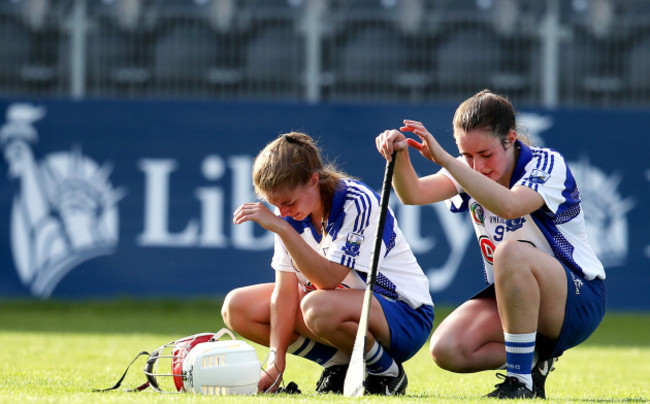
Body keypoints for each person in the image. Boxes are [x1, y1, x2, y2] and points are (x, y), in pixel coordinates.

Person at [375, 90, 606, 399]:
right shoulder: (466, 168)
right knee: (447, 349)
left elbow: (509, 206)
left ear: (510, 139)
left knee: (509, 251)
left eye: (485, 155)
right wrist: (399, 155)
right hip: (516, 301)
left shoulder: (546, 164)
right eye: (466, 155)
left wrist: (445, 158)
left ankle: (520, 382)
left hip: (576, 299)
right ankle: (535, 360)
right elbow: (412, 194)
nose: (476, 166)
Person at [221, 132, 434, 395]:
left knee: (315, 305)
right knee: (238, 308)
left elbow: (328, 279)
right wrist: (276, 361)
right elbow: (285, 293)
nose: (283, 213)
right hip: (341, 310)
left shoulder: (357, 202)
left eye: (288, 203)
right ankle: (338, 364)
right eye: (276, 206)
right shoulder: (287, 214)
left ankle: (386, 371)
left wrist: (282, 229)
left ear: (313, 180)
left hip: (404, 316)